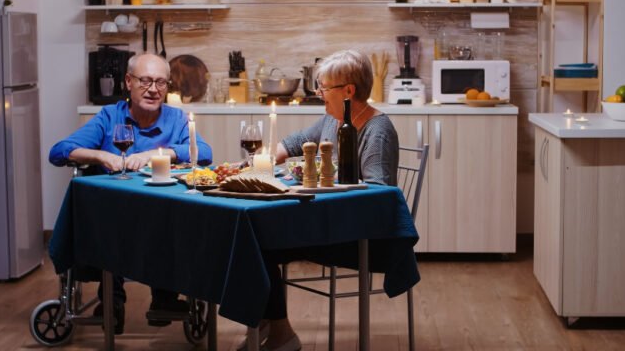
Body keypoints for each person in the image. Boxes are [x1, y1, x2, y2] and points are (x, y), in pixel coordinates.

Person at [240, 50, 399, 351]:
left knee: (260, 241)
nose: (318, 93)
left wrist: (325, 187)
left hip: (361, 235)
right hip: (329, 222)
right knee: (253, 237)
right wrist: (258, 163)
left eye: (324, 88)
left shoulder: (377, 130)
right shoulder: (332, 119)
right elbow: (296, 142)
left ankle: (278, 331)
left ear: (349, 91)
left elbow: (378, 193)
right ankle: (266, 323)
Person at [49, 53, 212, 334]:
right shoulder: (110, 117)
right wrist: (100, 155)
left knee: (174, 220)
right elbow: (59, 151)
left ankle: (165, 295)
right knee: (106, 224)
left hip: (162, 219)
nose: (153, 89)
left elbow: (205, 153)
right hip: (113, 223)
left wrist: (157, 153)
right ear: (128, 82)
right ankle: (112, 299)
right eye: (145, 80)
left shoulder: (176, 118)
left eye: (161, 82)